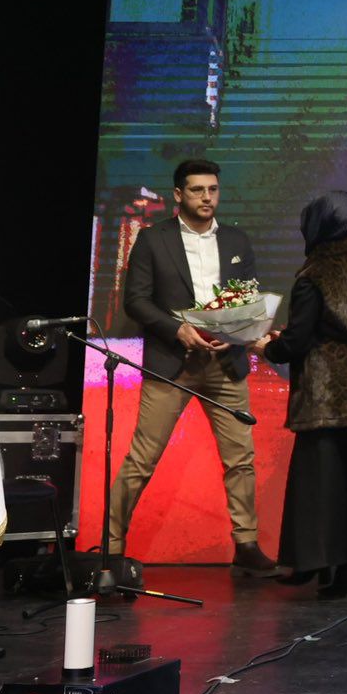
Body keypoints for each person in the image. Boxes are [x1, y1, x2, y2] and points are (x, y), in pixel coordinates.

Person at [110, 158, 277, 574]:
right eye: (198, 190)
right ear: (179, 194)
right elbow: (136, 301)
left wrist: (235, 331)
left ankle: (246, 544)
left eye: (213, 189)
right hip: (173, 361)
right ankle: (110, 546)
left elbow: (246, 299)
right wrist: (176, 329)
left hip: (225, 362)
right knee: (142, 459)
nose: (207, 197)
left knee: (240, 459)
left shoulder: (237, 240)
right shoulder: (153, 240)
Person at [259, 190, 347, 599]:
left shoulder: (313, 277)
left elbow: (297, 341)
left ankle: (315, 562)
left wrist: (266, 347)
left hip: (328, 392)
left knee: (320, 483)